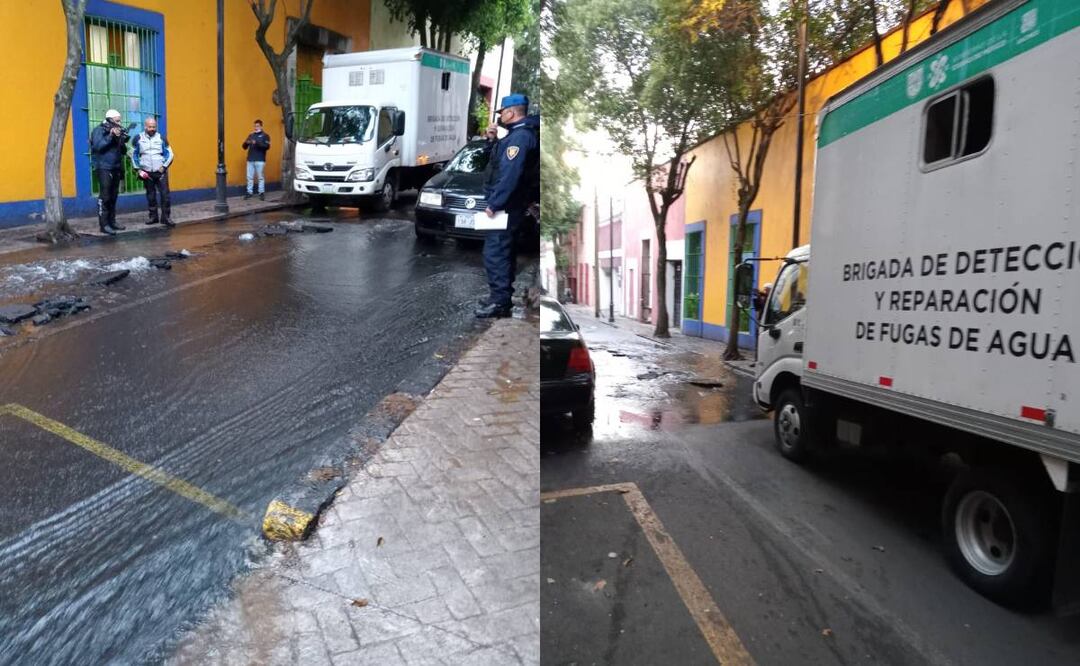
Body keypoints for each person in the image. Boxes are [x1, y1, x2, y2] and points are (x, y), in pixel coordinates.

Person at [475, 94, 540, 319]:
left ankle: (500, 302)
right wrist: (491, 140)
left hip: (506, 206)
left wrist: (495, 203)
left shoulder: (520, 137)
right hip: (509, 204)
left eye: (502, 112)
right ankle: (499, 297)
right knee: (502, 251)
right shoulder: (514, 135)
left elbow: (510, 175)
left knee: (496, 252)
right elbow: (495, 165)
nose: (501, 116)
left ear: (511, 112)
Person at [89, 109, 130, 235]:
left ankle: (112, 222)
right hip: (104, 167)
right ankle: (104, 225)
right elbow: (98, 146)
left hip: (116, 167)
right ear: (110, 120)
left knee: (113, 196)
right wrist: (111, 136)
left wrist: (121, 138)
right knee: (105, 196)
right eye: (117, 120)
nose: (120, 122)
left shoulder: (117, 130)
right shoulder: (98, 130)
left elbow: (122, 150)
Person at [131, 116, 175, 227]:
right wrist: (138, 169)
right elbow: (134, 155)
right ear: (145, 126)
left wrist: (164, 167)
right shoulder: (138, 139)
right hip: (147, 172)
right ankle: (153, 217)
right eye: (150, 127)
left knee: (165, 195)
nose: (152, 129)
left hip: (160, 172)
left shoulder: (162, 138)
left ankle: (166, 217)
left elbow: (170, 154)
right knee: (150, 195)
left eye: (154, 126)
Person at [242, 120, 271, 200]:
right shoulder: (251, 135)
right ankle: (249, 192)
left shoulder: (265, 135)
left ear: (261, 126)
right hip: (250, 159)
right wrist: (246, 143)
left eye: (257, 126)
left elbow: (267, 147)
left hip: (260, 159)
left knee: (260, 177)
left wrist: (257, 143)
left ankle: (261, 192)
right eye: (255, 126)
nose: (256, 127)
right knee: (249, 177)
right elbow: (244, 147)